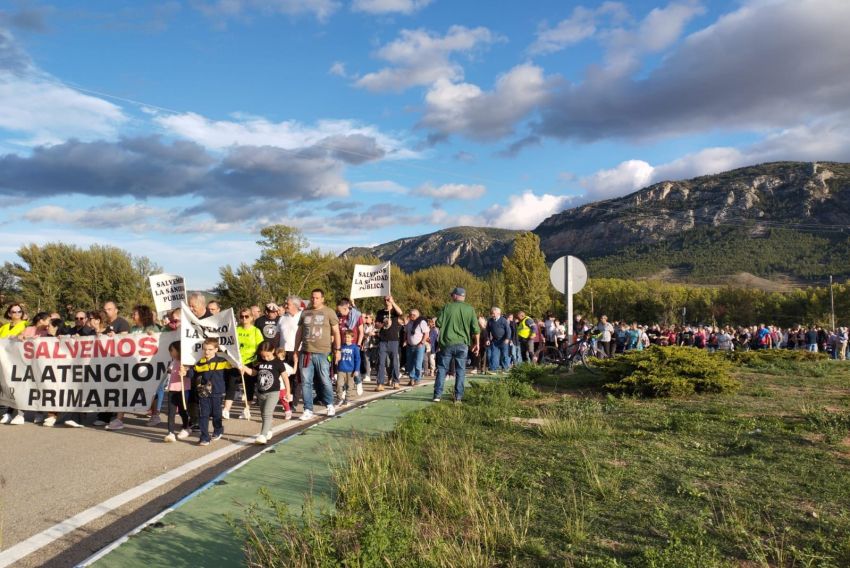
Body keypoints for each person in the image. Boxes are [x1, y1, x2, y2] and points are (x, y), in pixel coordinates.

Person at [294, 288, 341, 420]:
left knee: (325, 380)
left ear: (322, 299)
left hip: (323, 352)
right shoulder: (305, 313)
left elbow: (336, 332)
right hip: (306, 352)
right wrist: (296, 350)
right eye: (312, 297)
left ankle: (330, 404)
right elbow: (299, 332)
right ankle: (308, 409)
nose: (314, 300)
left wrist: (338, 350)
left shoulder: (329, 312)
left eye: (317, 298)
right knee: (306, 382)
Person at [432, 287, 480, 403]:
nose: (451, 297)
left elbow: (438, 323)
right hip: (463, 343)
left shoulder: (447, 307)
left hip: (447, 342)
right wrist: (477, 343)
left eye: (452, 295)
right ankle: (458, 397)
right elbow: (475, 328)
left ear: (455, 296)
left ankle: (437, 396)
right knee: (460, 370)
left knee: (442, 369)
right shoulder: (470, 309)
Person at [242, 341, 291, 445]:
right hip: (260, 392)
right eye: (263, 356)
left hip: (273, 392)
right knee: (263, 414)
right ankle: (268, 430)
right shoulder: (259, 362)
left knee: (267, 413)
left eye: (268, 355)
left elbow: (285, 377)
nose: (266, 358)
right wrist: (244, 368)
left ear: (273, 351)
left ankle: (262, 435)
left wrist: (288, 391)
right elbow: (253, 373)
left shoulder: (278, 363)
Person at [187, 337, 233, 446]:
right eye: (205, 349)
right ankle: (204, 437)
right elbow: (191, 375)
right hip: (204, 393)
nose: (207, 352)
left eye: (210, 349)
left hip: (217, 392)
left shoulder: (223, 361)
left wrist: (239, 367)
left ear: (216, 349)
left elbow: (233, 372)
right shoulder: (199, 363)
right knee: (203, 415)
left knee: (216, 414)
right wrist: (185, 371)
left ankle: (218, 429)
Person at [227, 308, 264, 420]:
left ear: (251, 317)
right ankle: (226, 410)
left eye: (246, 316)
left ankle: (246, 409)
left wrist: (256, 361)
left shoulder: (255, 331)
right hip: (237, 361)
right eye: (242, 316)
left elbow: (260, 346)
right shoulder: (236, 329)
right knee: (231, 385)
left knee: (249, 386)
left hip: (250, 362)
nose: (244, 318)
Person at [164, 341, 192, 443]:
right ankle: (170, 433)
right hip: (172, 389)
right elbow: (170, 370)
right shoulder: (174, 361)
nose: (170, 353)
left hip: (183, 389)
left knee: (182, 410)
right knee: (171, 412)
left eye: (172, 350)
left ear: (178, 350)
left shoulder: (186, 361)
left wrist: (185, 372)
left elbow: (190, 374)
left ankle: (186, 427)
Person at [278, 296, 302, 409]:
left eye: (288, 304)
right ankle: (287, 399)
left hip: (297, 350)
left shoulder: (302, 316)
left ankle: (294, 402)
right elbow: (278, 335)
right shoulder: (282, 318)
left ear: (295, 305)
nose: (285, 305)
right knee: (285, 377)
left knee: (296, 377)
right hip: (283, 352)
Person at [375, 295, 403, 391]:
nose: (386, 301)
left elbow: (400, 312)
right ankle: (380, 383)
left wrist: (393, 302)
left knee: (394, 362)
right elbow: (376, 325)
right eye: (385, 300)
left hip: (393, 340)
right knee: (381, 362)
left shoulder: (394, 311)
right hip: (383, 340)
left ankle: (396, 381)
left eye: (388, 299)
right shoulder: (380, 312)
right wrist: (383, 324)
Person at [403, 309, 429, 386]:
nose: (412, 316)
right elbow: (406, 332)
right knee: (410, 363)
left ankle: (417, 378)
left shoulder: (421, 322)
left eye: (414, 315)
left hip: (419, 346)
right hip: (410, 345)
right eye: (410, 314)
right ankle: (411, 379)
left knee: (418, 363)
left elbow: (426, 334)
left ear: (417, 315)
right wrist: (405, 340)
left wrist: (422, 342)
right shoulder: (409, 323)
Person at [336, 331, 361, 405]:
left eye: (348, 337)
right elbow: (337, 355)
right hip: (341, 369)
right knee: (339, 384)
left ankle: (347, 399)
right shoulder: (341, 346)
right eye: (345, 337)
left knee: (349, 386)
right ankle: (339, 398)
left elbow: (357, 359)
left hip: (350, 370)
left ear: (352, 338)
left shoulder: (355, 348)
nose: (346, 338)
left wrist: (356, 370)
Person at [486, 307, 511, 372]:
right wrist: (488, 339)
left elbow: (508, 330)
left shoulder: (503, 320)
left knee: (504, 355)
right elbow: (487, 331)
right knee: (494, 355)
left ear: (498, 313)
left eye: (493, 313)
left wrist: (507, 339)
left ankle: (505, 369)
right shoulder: (490, 321)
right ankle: (493, 369)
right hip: (495, 341)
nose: (492, 315)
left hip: (503, 341)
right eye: (491, 313)